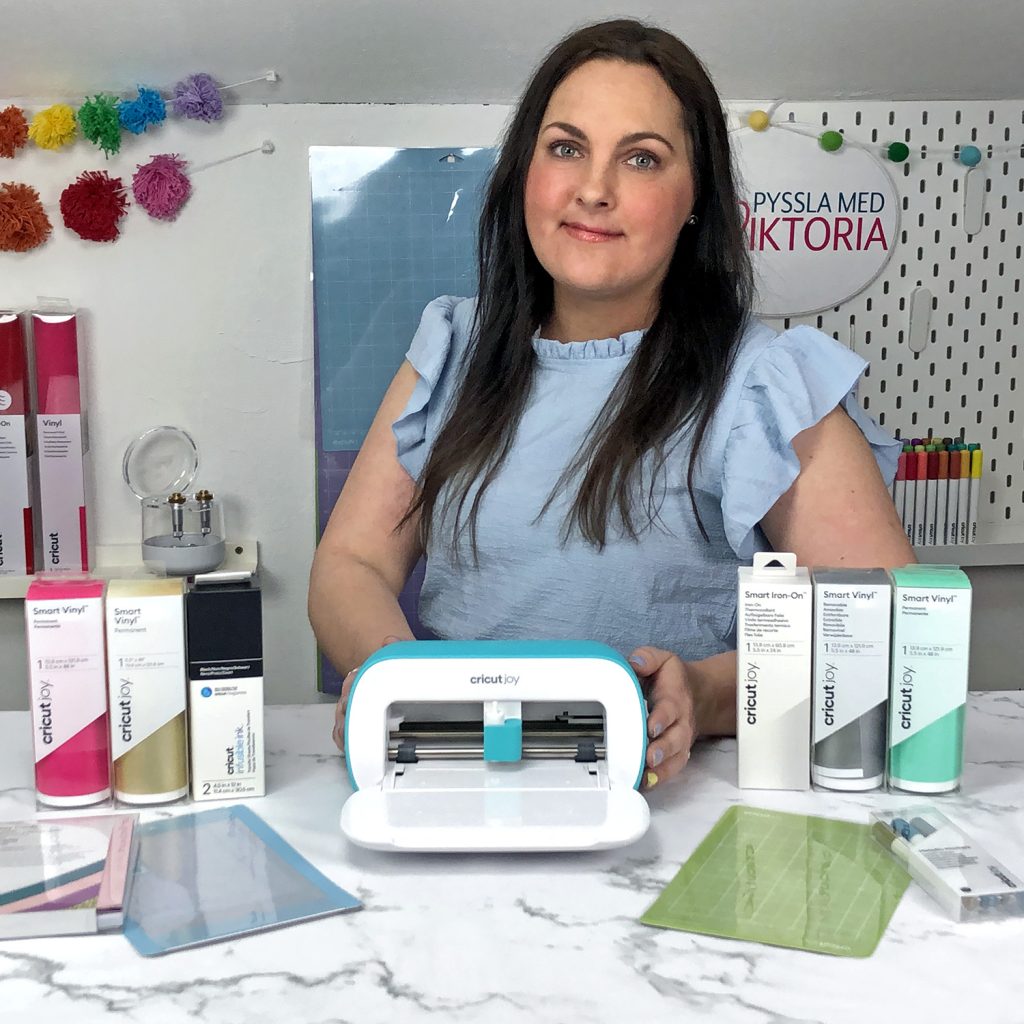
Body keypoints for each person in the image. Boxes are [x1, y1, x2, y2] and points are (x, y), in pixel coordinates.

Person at [308, 18, 914, 789]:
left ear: (695, 199)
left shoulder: (763, 381)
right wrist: (401, 682)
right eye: (566, 148)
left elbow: (882, 626)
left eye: (642, 158)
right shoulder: (451, 346)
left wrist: (705, 694)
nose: (593, 190)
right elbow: (351, 564)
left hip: (676, 796)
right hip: (458, 773)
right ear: (524, 171)